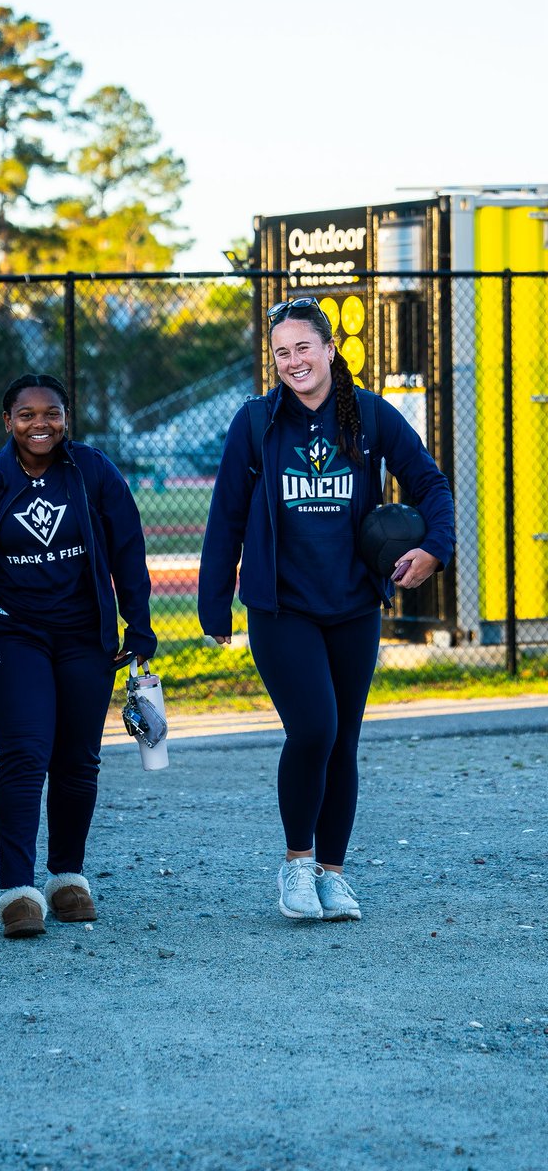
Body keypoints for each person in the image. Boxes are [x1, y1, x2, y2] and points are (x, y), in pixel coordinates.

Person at [198, 297, 455, 922]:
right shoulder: (255, 422)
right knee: (314, 728)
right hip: (282, 607)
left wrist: (434, 549)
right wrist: (214, 603)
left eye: (304, 348)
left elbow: (429, 483)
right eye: (281, 352)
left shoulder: (369, 414)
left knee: (344, 741)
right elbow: (226, 514)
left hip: (353, 604)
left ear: (329, 349)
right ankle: (296, 864)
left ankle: (332, 875)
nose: (294, 361)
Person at [0, 373, 157, 939]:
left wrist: (139, 625)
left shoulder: (92, 470)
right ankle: (17, 891)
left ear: (67, 418)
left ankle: (67, 877)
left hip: (83, 635)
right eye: (26, 414)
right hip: (10, 633)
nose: (40, 424)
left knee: (78, 760)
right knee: (25, 756)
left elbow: (128, 549)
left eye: (52, 413)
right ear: (7, 421)